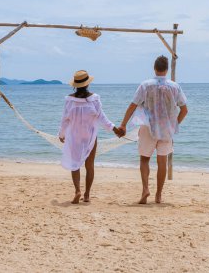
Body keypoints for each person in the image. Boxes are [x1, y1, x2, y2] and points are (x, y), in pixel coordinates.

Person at [118, 56, 188, 204]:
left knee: (144, 159)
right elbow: (184, 110)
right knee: (162, 161)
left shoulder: (145, 85)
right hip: (166, 129)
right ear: (167, 69)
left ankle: (145, 189)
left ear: (154, 68)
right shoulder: (175, 86)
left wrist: (123, 124)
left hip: (148, 127)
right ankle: (159, 195)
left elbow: (133, 105)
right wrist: (174, 124)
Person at [59, 70, 119, 204]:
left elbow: (65, 119)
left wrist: (61, 134)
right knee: (90, 165)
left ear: (75, 84)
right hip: (90, 136)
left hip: (74, 137)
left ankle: (77, 191)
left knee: (75, 166)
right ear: (87, 84)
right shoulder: (94, 99)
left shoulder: (70, 100)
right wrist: (114, 129)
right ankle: (86, 195)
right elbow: (102, 118)